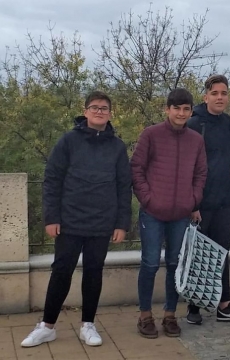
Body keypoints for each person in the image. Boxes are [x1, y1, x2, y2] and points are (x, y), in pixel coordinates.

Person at [21, 91, 132, 347]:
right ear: (85, 112)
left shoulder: (117, 147)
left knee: (94, 272)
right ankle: (47, 326)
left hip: (102, 222)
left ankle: (88, 325)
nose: (99, 111)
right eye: (94, 107)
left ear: (110, 113)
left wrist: (121, 223)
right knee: (61, 271)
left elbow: (124, 186)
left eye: (104, 108)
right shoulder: (68, 141)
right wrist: (51, 217)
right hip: (69, 220)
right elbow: (52, 180)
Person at [131, 88, 207, 338]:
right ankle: (145, 316)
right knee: (150, 264)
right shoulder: (150, 135)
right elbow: (137, 170)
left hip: (181, 214)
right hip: (153, 212)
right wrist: (148, 199)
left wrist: (193, 200)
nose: (181, 113)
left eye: (186, 109)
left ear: (190, 111)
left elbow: (200, 174)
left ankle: (170, 315)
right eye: (176, 108)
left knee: (175, 265)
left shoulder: (196, 139)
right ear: (167, 109)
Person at [186, 75, 230, 325]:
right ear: (205, 96)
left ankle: (224, 305)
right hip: (200, 203)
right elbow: (186, 166)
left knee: (221, 254)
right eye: (215, 93)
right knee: (197, 254)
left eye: (224, 93)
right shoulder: (194, 124)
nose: (219, 97)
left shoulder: (227, 123)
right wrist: (193, 204)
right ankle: (193, 307)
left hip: (224, 199)